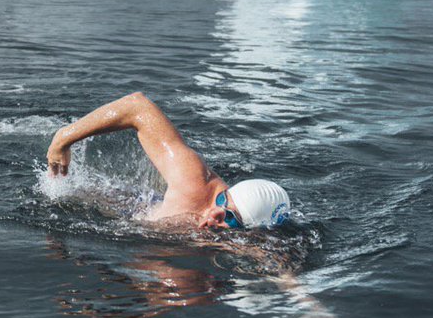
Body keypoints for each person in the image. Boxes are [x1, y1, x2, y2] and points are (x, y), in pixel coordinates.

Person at [46, 92, 291, 230]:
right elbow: (137, 106)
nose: (213, 215)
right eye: (222, 201)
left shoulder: (250, 240)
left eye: (230, 219)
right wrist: (64, 139)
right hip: (132, 210)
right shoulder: (193, 180)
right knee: (68, 194)